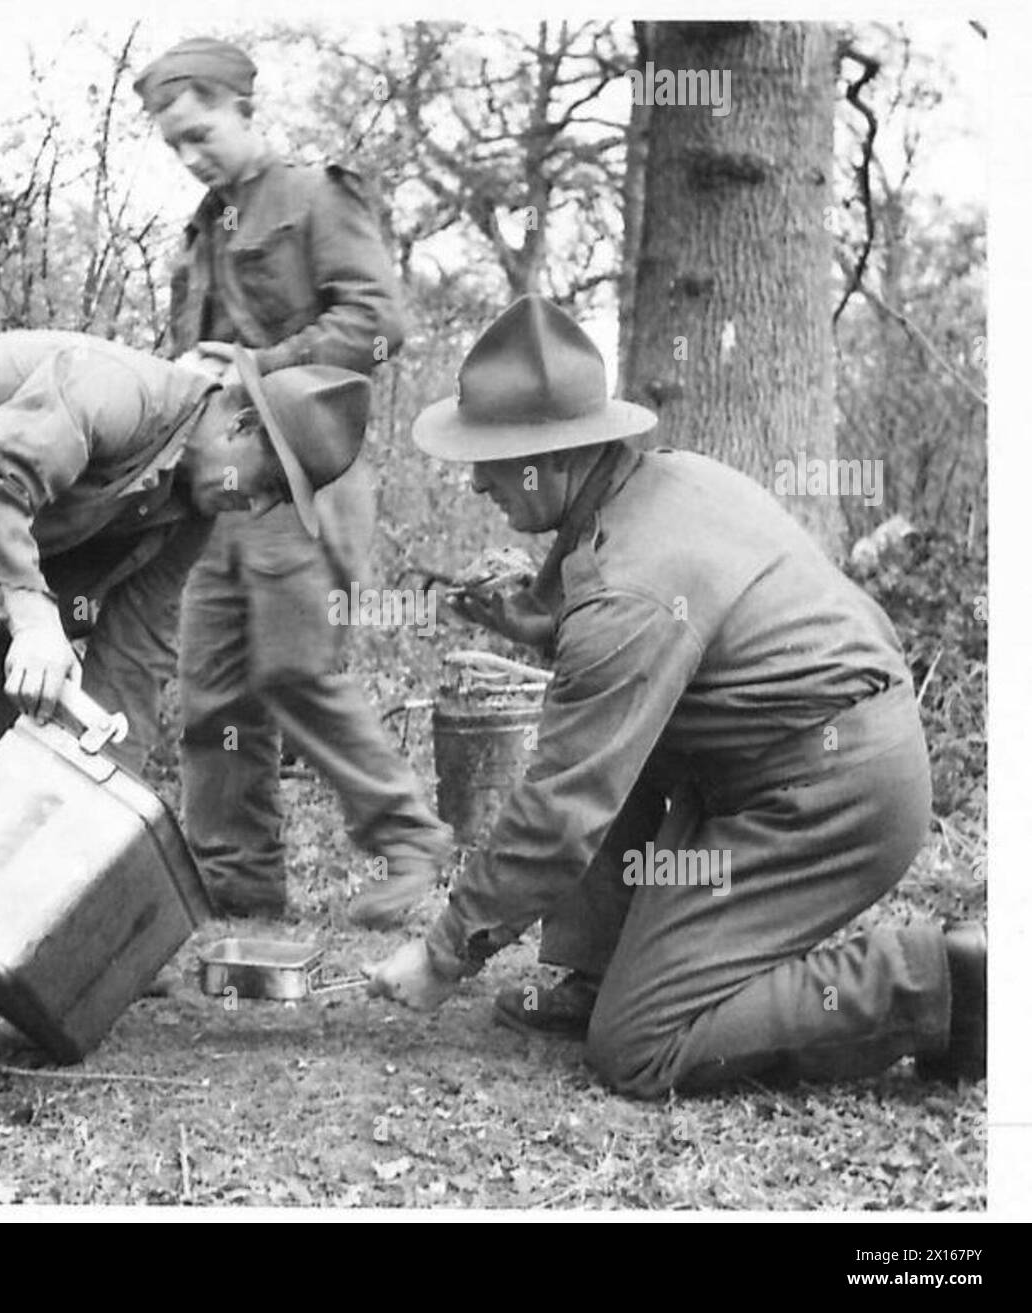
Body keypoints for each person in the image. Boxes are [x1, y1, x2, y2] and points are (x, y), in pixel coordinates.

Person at [368, 295, 985, 1097]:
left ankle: (942, 983)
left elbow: (561, 808)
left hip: (834, 796)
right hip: (793, 754)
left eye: (488, 458)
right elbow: (644, 634)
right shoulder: (665, 480)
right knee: (613, 730)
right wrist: (533, 616)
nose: (479, 482)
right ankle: (595, 971)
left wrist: (444, 950)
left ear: (554, 456)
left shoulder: (628, 593)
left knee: (639, 1046)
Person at [0, 330, 370, 1044]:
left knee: (47, 734)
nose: (254, 508)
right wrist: (32, 618)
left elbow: (133, 662)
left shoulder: (190, 513)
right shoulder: (116, 391)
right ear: (243, 423)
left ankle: (37, 926)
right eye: (268, 484)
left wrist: (106, 852)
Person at [133, 38, 453, 925]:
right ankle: (236, 898)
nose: (191, 157)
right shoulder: (202, 230)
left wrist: (253, 365)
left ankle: (411, 838)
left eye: (201, 133)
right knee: (212, 694)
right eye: (175, 147)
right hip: (217, 493)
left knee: (294, 666)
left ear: (242, 108)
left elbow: (380, 324)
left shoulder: (317, 196)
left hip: (307, 475)